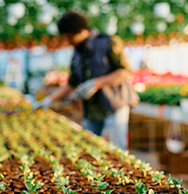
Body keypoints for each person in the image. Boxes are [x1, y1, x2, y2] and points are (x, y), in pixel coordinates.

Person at [34, 11, 138, 149]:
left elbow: (124, 72)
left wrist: (97, 83)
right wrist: (49, 100)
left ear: (81, 31)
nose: (68, 40)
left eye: (70, 36)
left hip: (114, 105)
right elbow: (72, 83)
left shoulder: (108, 42)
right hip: (92, 109)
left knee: (116, 149)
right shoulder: (77, 52)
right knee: (90, 148)